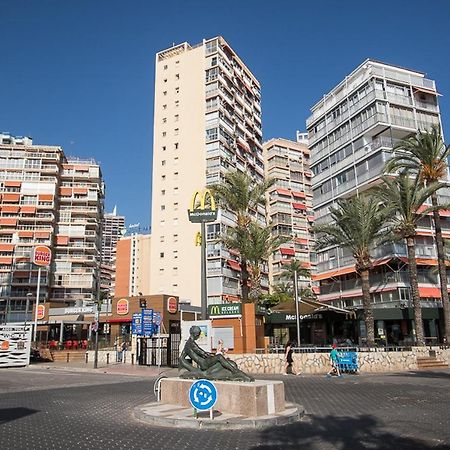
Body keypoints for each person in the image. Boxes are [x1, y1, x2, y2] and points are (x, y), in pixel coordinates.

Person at [179, 326, 254, 382]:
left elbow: (182, 358)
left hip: (203, 362)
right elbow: (201, 352)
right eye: (198, 335)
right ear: (196, 334)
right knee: (219, 357)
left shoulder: (187, 344)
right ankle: (235, 372)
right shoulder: (191, 344)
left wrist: (191, 369)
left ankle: (234, 371)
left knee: (226, 361)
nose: (198, 336)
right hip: (204, 363)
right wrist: (194, 370)